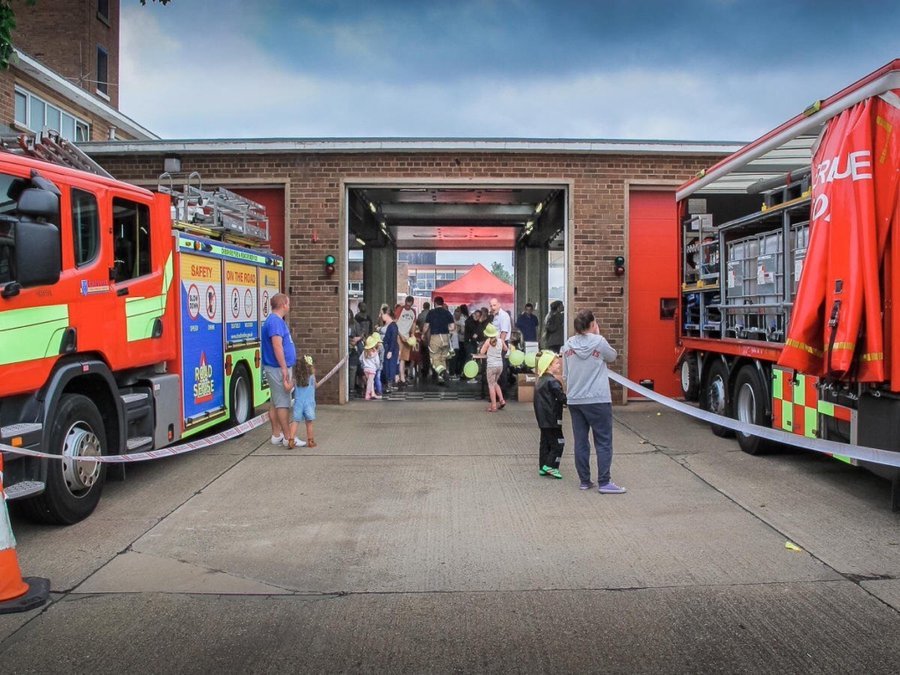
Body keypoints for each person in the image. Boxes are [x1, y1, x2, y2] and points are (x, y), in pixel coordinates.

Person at [562, 309, 625, 494]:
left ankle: (584, 480)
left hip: (575, 399)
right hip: (598, 398)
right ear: (592, 324)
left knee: (581, 441)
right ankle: (604, 482)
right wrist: (598, 334)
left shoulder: (567, 346)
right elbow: (612, 356)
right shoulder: (599, 342)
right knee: (603, 440)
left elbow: (565, 374)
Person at [261, 293, 304, 447]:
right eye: (288, 303)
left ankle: (276, 435)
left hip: (276, 367)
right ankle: (288, 437)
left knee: (275, 402)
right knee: (283, 403)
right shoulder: (275, 322)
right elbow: (277, 345)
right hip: (278, 368)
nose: (289, 306)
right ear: (283, 304)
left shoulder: (274, 321)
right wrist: (285, 368)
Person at [533, 351, 566, 479]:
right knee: (559, 443)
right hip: (553, 419)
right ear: (548, 366)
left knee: (545, 442)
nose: (559, 365)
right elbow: (562, 398)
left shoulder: (540, 381)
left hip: (543, 419)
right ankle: (551, 465)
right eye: (556, 363)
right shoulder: (553, 382)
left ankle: (543, 466)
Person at [422, 296, 455, 384]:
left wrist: (423, 334)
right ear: (442, 303)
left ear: (435, 303)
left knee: (434, 358)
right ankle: (442, 378)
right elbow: (452, 327)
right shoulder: (447, 313)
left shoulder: (431, 313)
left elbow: (426, 326)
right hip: (446, 337)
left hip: (435, 337)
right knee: (443, 358)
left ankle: (443, 373)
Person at [288, 355, 317, 449]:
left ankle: (291, 440)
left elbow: (288, 388)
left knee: (295, 421)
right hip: (309, 403)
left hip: (298, 403)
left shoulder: (295, 378)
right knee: (309, 423)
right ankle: (311, 441)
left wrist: (284, 381)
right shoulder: (312, 377)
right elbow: (315, 386)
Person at [480, 323, 506, 412]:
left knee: (491, 385)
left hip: (491, 366)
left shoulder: (488, 341)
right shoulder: (500, 340)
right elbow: (506, 349)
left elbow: (482, 352)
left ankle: (494, 406)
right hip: (500, 365)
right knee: (495, 383)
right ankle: (502, 400)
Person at [490, 297, 512, 394]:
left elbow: (504, 332)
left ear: (499, 305)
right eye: (491, 305)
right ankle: (496, 392)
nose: (492, 307)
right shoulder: (494, 316)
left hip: (501, 343)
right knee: (495, 367)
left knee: (501, 367)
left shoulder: (504, 316)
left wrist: (500, 345)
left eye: (494, 305)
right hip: (494, 342)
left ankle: (503, 392)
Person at [395, 296, 417, 387]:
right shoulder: (400, 309)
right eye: (407, 304)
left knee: (403, 358)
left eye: (410, 305)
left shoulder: (413, 312)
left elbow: (413, 323)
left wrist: (412, 334)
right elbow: (395, 323)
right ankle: (397, 378)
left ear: (412, 304)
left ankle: (402, 378)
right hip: (399, 336)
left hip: (407, 338)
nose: (408, 306)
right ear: (405, 302)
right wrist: (400, 335)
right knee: (398, 357)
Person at [381, 308, 400, 389]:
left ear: (386, 315)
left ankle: (390, 383)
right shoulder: (391, 326)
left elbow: (393, 339)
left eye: (382, 314)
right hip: (389, 348)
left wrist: (390, 351)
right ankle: (389, 383)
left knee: (390, 366)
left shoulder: (393, 326)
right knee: (388, 366)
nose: (381, 316)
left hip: (391, 349)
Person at [347, 309, 363, 398]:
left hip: (354, 349)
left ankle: (352, 388)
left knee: (353, 368)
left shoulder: (355, 324)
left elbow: (361, 334)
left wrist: (357, 338)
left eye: (349, 315)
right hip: (345, 348)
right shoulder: (342, 323)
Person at [361, 334, 382, 400]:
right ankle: (367, 395)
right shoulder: (375, 353)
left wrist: (363, 364)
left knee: (371, 382)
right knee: (370, 382)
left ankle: (373, 393)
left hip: (365, 369)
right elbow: (377, 362)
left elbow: (360, 359)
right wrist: (377, 367)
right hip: (372, 370)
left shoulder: (364, 352)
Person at [415, 301, 432, 380]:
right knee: (432, 354)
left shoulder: (420, 315)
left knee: (424, 355)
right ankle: (433, 371)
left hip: (423, 336)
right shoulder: (432, 314)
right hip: (431, 336)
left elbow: (417, 324)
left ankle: (425, 370)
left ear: (423, 307)